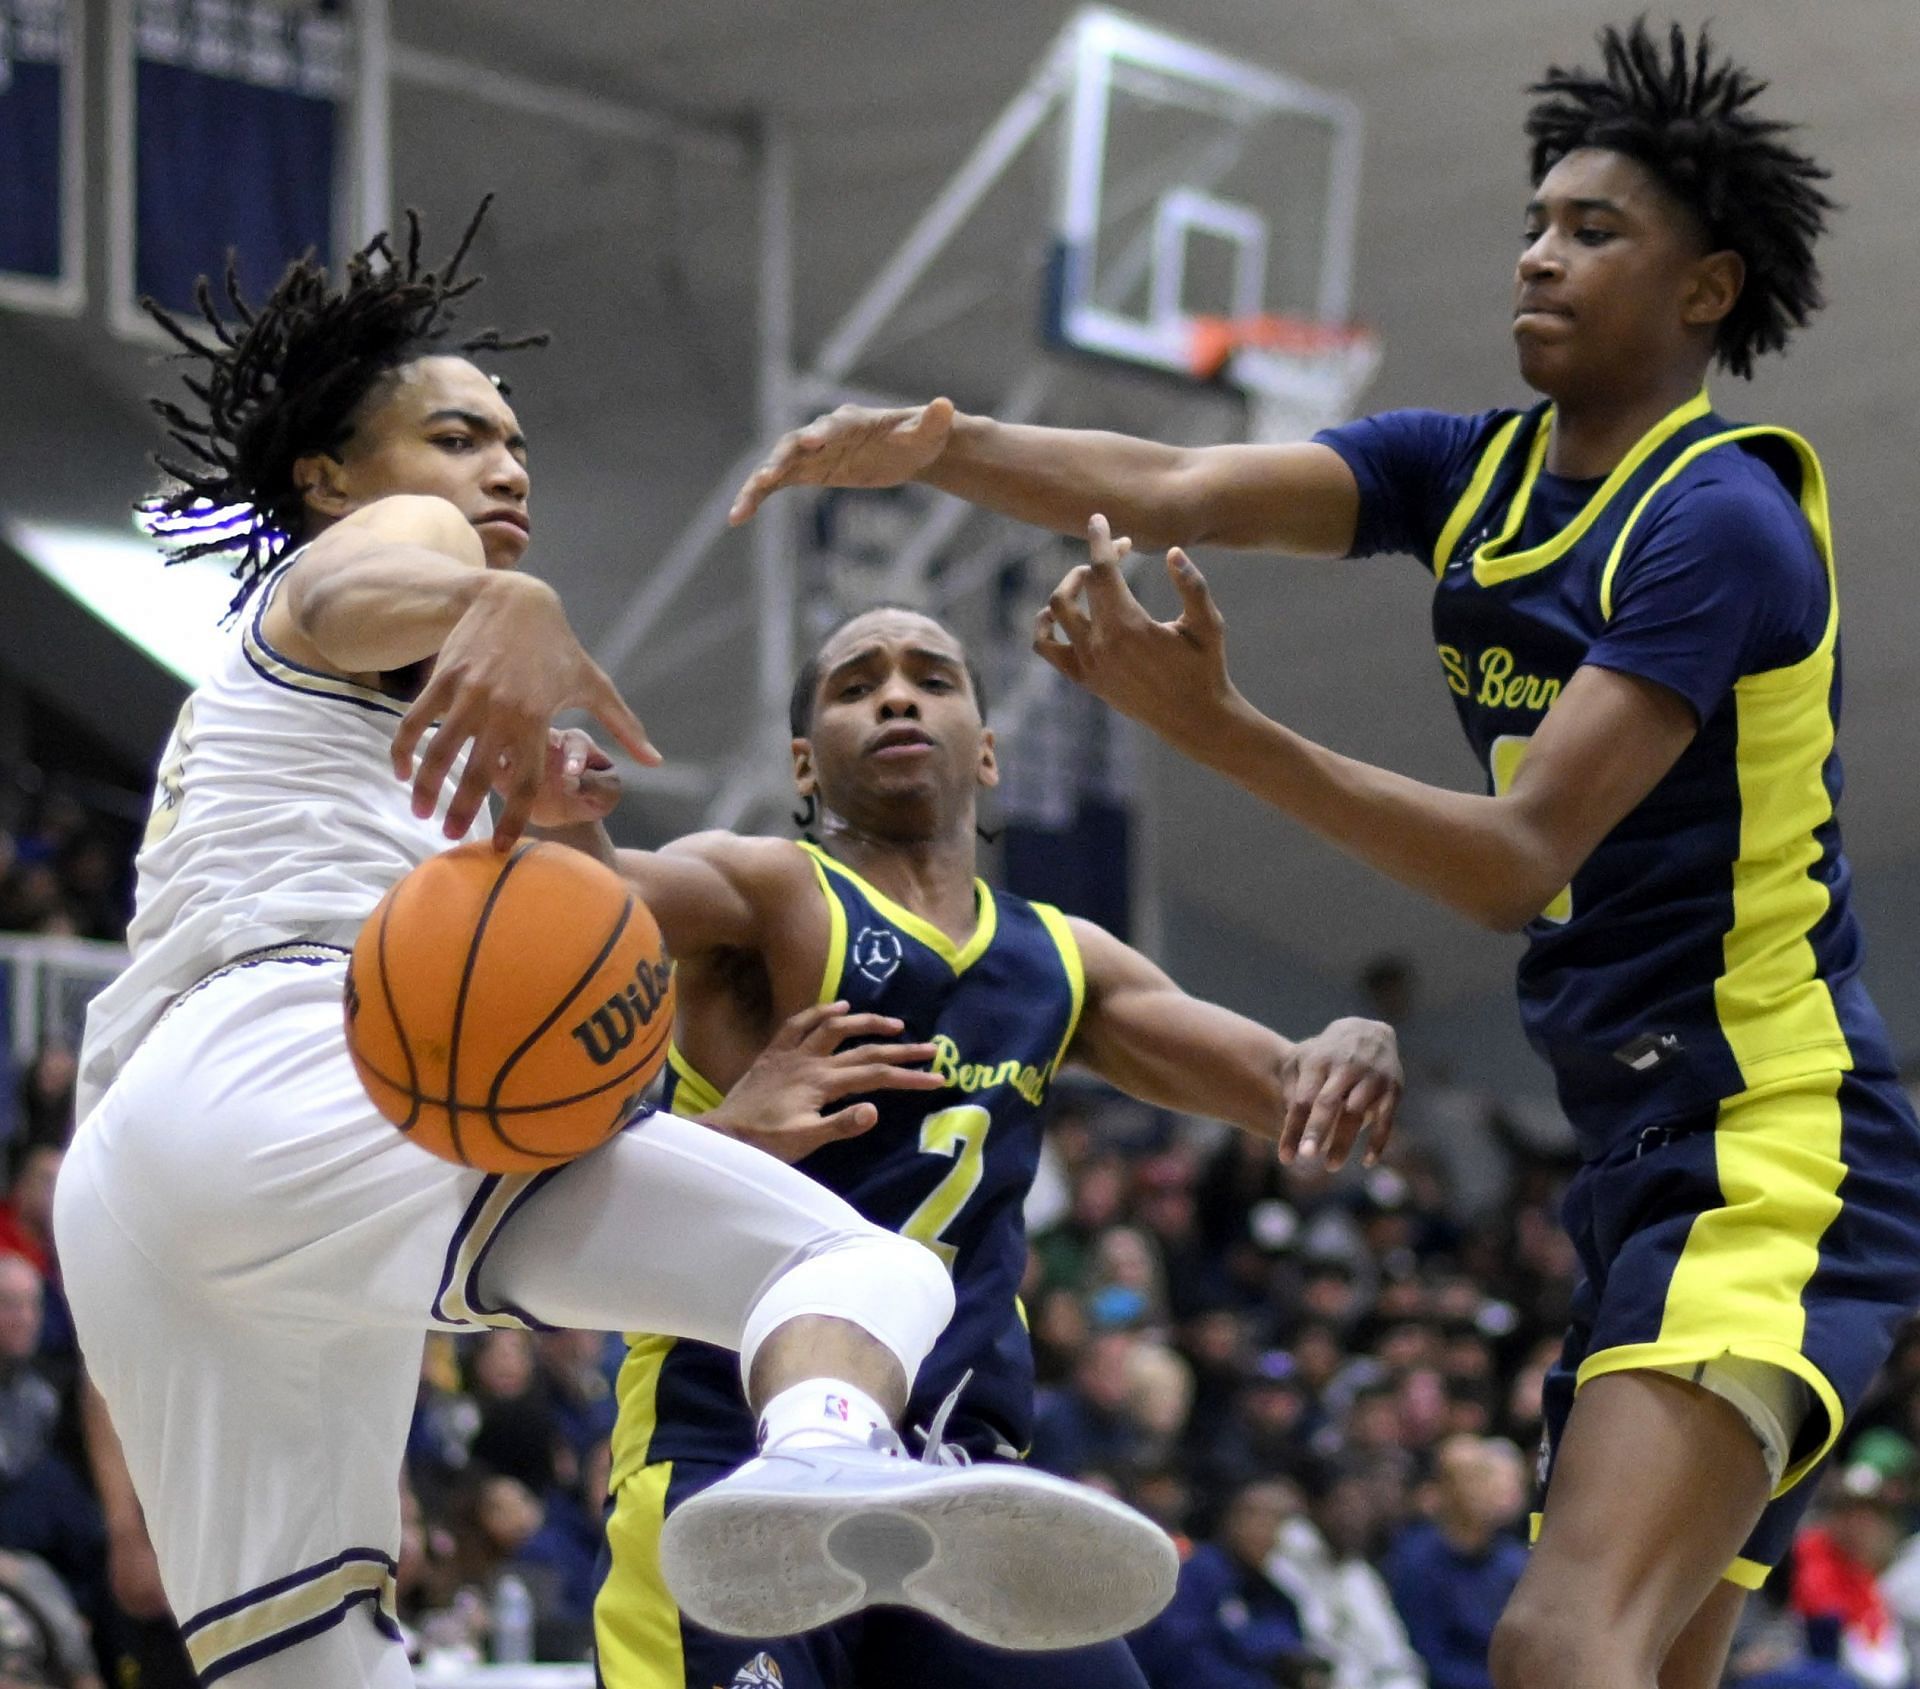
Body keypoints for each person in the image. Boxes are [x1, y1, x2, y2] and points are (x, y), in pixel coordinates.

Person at [729, 22, 1920, 1689]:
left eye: (1596, 230)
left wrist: (1213, 726)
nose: (1539, 252)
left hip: (1772, 1135)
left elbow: (1516, 858)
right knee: (1644, 1654)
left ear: (1709, 287)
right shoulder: (1470, 470)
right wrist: (940, 449)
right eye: (1537, 219)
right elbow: (1173, 481)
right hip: (1643, 1145)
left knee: (1555, 1639)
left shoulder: (1718, 521)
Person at [51, 208, 1173, 1689]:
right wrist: (491, 587)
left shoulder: (365, 732)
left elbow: (507, 986)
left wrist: (625, 1077)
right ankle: (824, 1462)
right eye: (455, 437)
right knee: (858, 1270)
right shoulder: (372, 576)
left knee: (307, 1669)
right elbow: (359, 587)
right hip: (296, 1068)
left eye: (510, 448)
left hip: (142, 1191)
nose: (499, 471)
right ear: (327, 476)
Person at [578, 601, 1401, 1688]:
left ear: (990, 748)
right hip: (735, 1459)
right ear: (804, 766)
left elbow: (1294, 1092)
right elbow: (579, 913)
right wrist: (555, 812)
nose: (898, 695)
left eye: (933, 676)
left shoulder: (1063, 961)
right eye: (856, 683)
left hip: (956, 1495)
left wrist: (1353, 1039)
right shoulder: (767, 890)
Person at [1383, 1437, 1528, 1689]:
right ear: (1442, 1490)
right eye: (1468, 1478)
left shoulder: (1513, 1561)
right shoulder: (1416, 1561)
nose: (1480, 1490)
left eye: (1485, 1477)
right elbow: (1426, 1656)